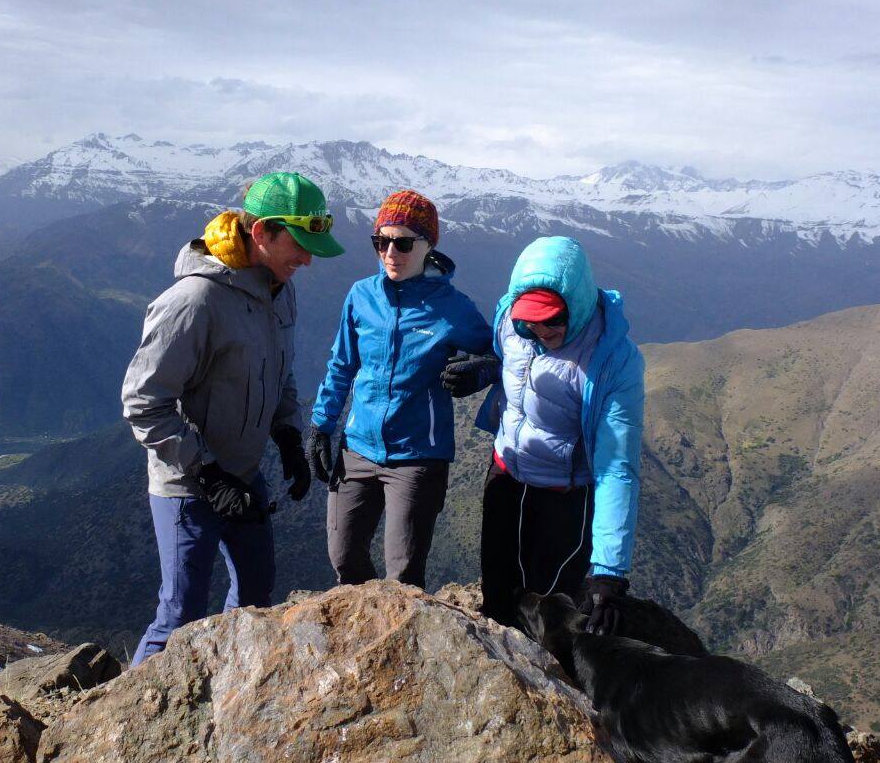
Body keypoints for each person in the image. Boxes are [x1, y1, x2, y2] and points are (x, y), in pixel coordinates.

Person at [122, 171, 344, 664]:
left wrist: (288, 433)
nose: (307, 259)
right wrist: (205, 470)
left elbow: (279, 371)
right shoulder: (194, 301)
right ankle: (126, 726)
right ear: (262, 232)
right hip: (187, 485)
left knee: (254, 604)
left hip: (242, 479)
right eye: (300, 245)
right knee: (180, 619)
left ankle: (230, 702)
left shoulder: (278, 290)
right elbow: (143, 401)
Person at [443, 235, 645, 635]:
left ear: (578, 302)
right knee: (499, 592)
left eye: (553, 318)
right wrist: (486, 369)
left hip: (564, 497)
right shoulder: (510, 323)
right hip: (505, 475)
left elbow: (617, 468)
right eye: (530, 320)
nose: (541, 330)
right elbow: (511, 362)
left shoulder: (612, 363)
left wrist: (609, 573)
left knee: (549, 609)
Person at [306, 190, 492, 590]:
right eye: (381, 242)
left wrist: (481, 371)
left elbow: (500, 352)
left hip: (417, 457)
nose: (391, 252)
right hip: (357, 448)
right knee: (343, 557)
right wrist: (322, 426)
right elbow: (342, 364)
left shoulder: (454, 308)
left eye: (403, 243)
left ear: (428, 245)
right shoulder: (361, 295)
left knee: (403, 574)